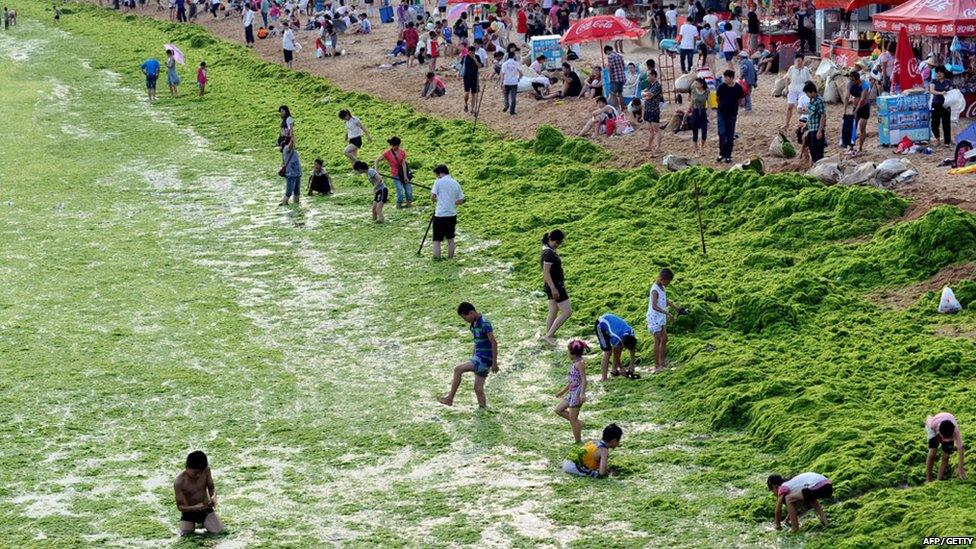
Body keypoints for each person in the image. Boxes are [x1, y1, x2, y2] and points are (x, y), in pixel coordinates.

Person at [437, 302, 498, 408]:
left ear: (471, 313)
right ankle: (483, 410)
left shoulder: (484, 323)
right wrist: (473, 357)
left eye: (465, 318)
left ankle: (449, 399)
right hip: (479, 358)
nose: (466, 321)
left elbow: (494, 342)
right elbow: (477, 342)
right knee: (478, 389)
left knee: (458, 369)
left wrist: (494, 363)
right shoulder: (473, 324)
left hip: (483, 359)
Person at [174, 451, 224, 536]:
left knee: (218, 533)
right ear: (187, 467)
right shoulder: (179, 482)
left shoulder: (206, 471)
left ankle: (205, 524)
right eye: (196, 472)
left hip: (205, 509)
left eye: (201, 472)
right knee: (186, 535)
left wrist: (213, 497)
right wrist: (195, 507)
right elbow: (180, 506)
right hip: (189, 513)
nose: (199, 475)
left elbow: (211, 487)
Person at [767, 473, 832, 533]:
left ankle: (795, 528)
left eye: (772, 490)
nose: (774, 494)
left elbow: (778, 511)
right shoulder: (793, 484)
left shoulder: (782, 487)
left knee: (788, 498)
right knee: (811, 499)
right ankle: (825, 522)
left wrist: (777, 526)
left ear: (775, 486)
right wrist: (787, 520)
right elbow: (797, 504)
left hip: (817, 486)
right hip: (827, 486)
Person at [555, 340, 589, 443]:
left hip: (577, 394)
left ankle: (578, 441)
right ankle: (579, 423)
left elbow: (584, 380)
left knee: (573, 420)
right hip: (571, 393)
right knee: (558, 410)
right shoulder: (574, 363)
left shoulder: (580, 364)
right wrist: (562, 392)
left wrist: (582, 393)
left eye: (568, 351)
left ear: (573, 353)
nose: (567, 353)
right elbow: (571, 381)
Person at [646, 268, 679, 372]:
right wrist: (668, 313)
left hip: (661, 317)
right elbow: (654, 306)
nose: (668, 284)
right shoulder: (655, 289)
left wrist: (675, 307)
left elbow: (665, 300)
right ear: (662, 279)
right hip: (654, 317)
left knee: (664, 338)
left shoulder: (662, 288)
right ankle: (657, 365)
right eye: (668, 281)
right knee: (658, 340)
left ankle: (662, 362)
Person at [541, 230, 571, 346]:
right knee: (567, 312)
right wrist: (553, 288)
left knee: (553, 311)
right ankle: (549, 335)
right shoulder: (548, 253)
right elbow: (546, 272)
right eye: (558, 242)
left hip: (550, 285)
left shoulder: (547, 250)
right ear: (551, 239)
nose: (559, 244)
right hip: (555, 285)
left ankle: (548, 334)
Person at [430, 164, 464, 259]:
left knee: (437, 240)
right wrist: (452, 202)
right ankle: (450, 259)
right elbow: (461, 200)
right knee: (450, 239)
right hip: (451, 214)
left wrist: (438, 200)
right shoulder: (455, 183)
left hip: (440, 214)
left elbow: (432, 197)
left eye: (437, 175)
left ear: (440, 173)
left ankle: (437, 259)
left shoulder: (438, 182)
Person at [595, 313, 638, 381]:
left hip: (613, 323)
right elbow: (616, 355)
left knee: (618, 348)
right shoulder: (616, 337)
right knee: (608, 352)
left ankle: (614, 370)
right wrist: (621, 368)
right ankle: (604, 378)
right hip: (601, 325)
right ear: (623, 344)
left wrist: (632, 364)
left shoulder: (631, 332)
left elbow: (632, 348)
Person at [925, 412, 967, 482]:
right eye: (944, 439)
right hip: (933, 429)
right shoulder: (932, 425)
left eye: (949, 439)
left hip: (948, 425)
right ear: (940, 434)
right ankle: (928, 479)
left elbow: (960, 449)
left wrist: (961, 468)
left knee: (946, 457)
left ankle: (939, 480)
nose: (945, 441)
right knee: (932, 454)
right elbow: (927, 418)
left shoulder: (955, 431)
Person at [715, 69, 744, 163]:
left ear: (731, 78)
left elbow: (740, 100)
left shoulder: (738, 88)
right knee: (722, 132)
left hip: (732, 113)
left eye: (726, 77)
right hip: (721, 113)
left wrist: (735, 108)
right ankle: (721, 153)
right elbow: (717, 99)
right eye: (724, 77)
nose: (725, 79)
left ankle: (728, 155)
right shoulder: (721, 87)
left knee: (730, 134)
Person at [377, 136, 412, 209]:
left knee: (408, 191)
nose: (394, 147)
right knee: (399, 190)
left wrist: (405, 176)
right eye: (392, 145)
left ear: (398, 145)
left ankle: (409, 205)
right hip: (395, 175)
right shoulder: (387, 153)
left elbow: (404, 165)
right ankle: (398, 206)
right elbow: (377, 160)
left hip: (404, 173)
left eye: (395, 145)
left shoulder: (402, 152)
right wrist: (377, 170)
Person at [845, 70, 870, 156]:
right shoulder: (850, 84)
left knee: (862, 128)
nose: (851, 81)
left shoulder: (865, 85)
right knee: (853, 127)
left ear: (857, 80)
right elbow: (847, 97)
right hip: (855, 107)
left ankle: (860, 147)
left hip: (864, 108)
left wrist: (856, 111)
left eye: (852, 80)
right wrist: (845, 110)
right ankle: (851, 147)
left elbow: (862, 99)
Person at [783, 54, 810, 131]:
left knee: (802, 108)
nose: (799, 62)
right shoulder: (792, 68)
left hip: (802, 90)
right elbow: (787, 78)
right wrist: (786, 88)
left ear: (803, 61)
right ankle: (786, 124)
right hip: (792, 89)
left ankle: (803, 124)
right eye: (797, 60)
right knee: (789, 107)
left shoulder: (806, 70)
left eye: (800, 61)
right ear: (795, 61)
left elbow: (808, 81)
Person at [804, 80, 826, 164]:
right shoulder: (812, 101)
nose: (807, 95)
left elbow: (823, 116)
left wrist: (820, 131)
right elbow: (811, 115)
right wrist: (806, 125)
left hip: (817, 129)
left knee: (818, 152)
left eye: (807, 93)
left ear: (812, 91)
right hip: (811, 129)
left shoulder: (819, 101)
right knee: (812, 149)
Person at [930, 66, 953, 148]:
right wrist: (940, 93)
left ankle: (947, 141)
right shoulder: (934, 81)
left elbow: (951, 91)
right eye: (937, 72)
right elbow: (932, 90)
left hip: (946, 104)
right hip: (936, 103)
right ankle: (937, 139)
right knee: (934, 123)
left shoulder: (948, 82)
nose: (939, 74)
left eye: (940, 72)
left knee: (946, 123)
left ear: (944, 73)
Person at [641, 71, 663, 156]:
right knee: (650, 130)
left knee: (656, 130)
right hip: (648, 110)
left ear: (653, 76)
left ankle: (658, 147)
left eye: (649, 76)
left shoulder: (657, 85)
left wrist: (644, 94)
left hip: (654, 110)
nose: (648, 77)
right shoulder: (651, 85)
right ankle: (649, 146)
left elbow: (648, 95)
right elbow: (645, 94)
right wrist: (645, 94)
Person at [688, 77, 709, 156]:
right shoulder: (693, 91)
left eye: (697, 83)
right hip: (695, 112)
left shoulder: (706, 92)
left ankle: (702, 147)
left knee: (704, 132)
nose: (695, 84)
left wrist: (709, 113)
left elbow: (709, 103)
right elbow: (691, 103)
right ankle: (696, 150)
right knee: (695, 132)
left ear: (702, 84)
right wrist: (687, 112)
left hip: (703, 112)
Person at [278, 139, 302, 206]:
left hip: (297, 174)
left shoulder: (293, 151)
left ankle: (296, 204)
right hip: (291, 175)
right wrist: (292, 136)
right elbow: (291, 143)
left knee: (297, 192)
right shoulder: (286, 149)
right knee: (288, 192)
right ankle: (284, 203)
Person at [605, 45, 626, 112]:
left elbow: (610, 69)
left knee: (613, 94)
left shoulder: (610, 56)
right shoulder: (619, 55)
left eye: (606, 53)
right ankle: (622, 108)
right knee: (620, 93)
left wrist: (611, 78)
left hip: (615, 78)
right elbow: (623, 66)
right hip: (622, 77)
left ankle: (616, 108)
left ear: (607, 50)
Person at [461, 46, 481, 115]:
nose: (472, 53)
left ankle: (472, 109)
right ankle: (466, 104)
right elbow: (462, 65)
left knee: (474, 94)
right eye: (470, 52)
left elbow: (479, 66)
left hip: (475, 77)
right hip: (466, 77)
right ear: (468, 52)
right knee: (466, 92)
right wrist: (459, 74)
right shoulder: (465, 57)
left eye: (473, 52)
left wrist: (475, 60)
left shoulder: (477, 57)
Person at [500, 51, 520, 116]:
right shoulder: (516, 63)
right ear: (514, 56)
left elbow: (502, 74)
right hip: (514, 82)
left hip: (506, 82)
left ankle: (506, 105)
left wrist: (501, 82)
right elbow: (521, 73)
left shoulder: (504, 64)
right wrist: (519, 78)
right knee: (513, 97)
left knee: (506, 95)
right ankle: (512, 111)